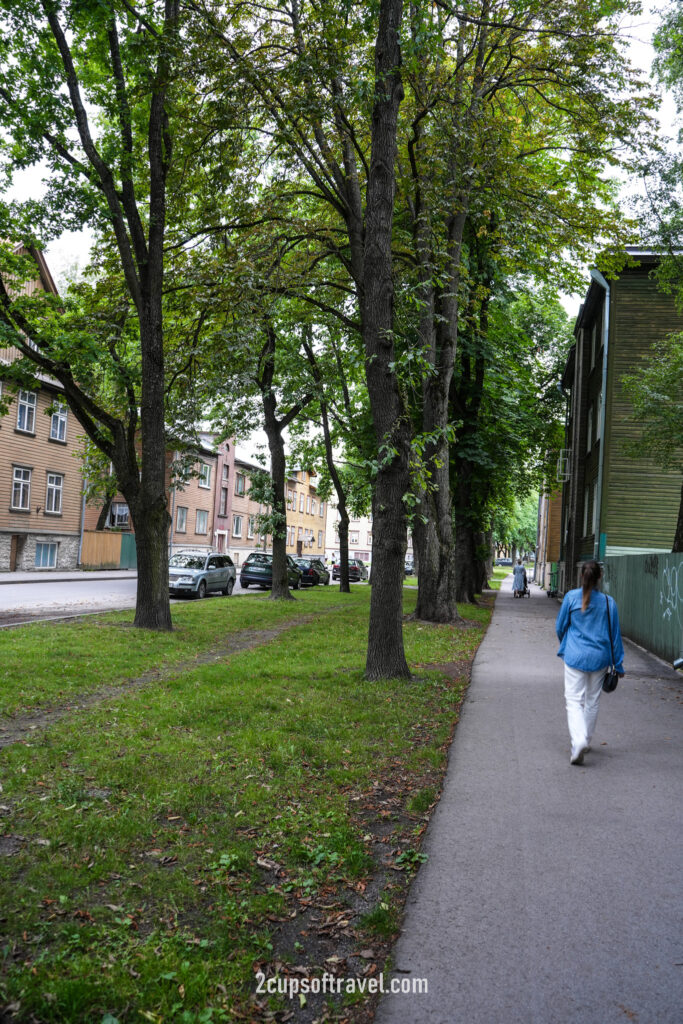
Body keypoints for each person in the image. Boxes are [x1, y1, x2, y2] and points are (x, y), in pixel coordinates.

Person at [556, 560, 625, 765]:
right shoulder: (608, 603)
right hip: (600, 658)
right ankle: (585, 740)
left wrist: (568, 646)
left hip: (575, 656)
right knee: (592, 701)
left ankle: (578, 741)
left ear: (581, 577)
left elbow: (560, 627)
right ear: (599, 578)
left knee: (573, 701)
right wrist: (618, 665)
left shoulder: (570, 598)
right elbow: (615, 637)